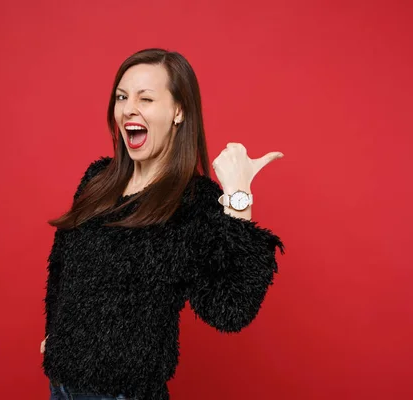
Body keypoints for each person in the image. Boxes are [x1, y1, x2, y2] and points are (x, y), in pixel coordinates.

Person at [40, 48, 285, 400]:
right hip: (61, 388)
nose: (128, 109)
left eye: (146, 98)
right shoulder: (98, 178)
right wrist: (55, 334)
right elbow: (62, 266)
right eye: (122, 97)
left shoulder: (194, 201)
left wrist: (238, 196)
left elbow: (230, 310)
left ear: (178, 111)